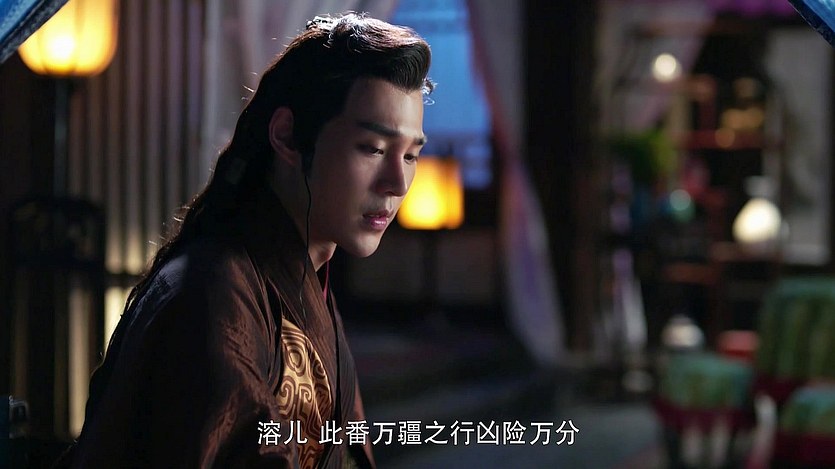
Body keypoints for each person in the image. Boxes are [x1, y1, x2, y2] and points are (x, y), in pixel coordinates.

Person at [58, 12, 432, 468]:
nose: (398, 183)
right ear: (288, 136)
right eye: (373, 148)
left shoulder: (308, 283)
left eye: (410, 155)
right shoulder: (214, 291)